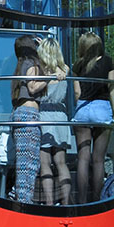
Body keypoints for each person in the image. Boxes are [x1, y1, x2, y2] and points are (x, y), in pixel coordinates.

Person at [72, 32, 114, 203]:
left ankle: (81, 200)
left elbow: (77, 92)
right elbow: (111, 87)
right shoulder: (107, 61)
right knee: (98, 159)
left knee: (83, 157)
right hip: (102, 110)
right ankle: (97, 200)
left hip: (83, 109)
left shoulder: (78, 64)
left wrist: (80, 107)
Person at [11, 35, 48, 203]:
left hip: (18, 114)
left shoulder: (19, 66)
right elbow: (33, 87)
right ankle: (24, 202)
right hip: (29, 115)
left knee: (25, 162)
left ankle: (17, 195)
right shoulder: (31, 64)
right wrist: (50, 76)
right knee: (29, 164)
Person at [37, 36, 72, 205]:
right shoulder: (65, 69)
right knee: (61, 162)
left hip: (44, 114)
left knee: (45, 163)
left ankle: (49, 202)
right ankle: (65, 202)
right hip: (61, 115)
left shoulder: (42, 71)